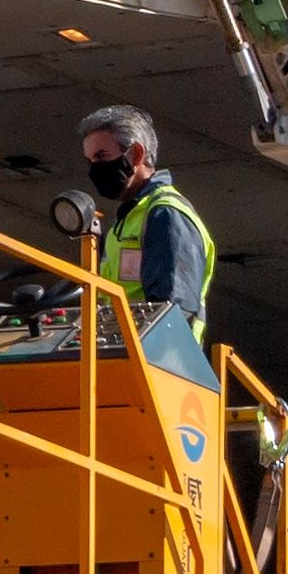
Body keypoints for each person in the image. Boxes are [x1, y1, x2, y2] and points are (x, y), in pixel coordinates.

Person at [77, 104, 216, 387]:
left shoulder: (165, 213)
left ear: (136, 154)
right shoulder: (128, 219)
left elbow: (172, 310)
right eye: (90, 160)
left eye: (102, 156)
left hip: (165, 373)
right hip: (126, 366)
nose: (95, 169)